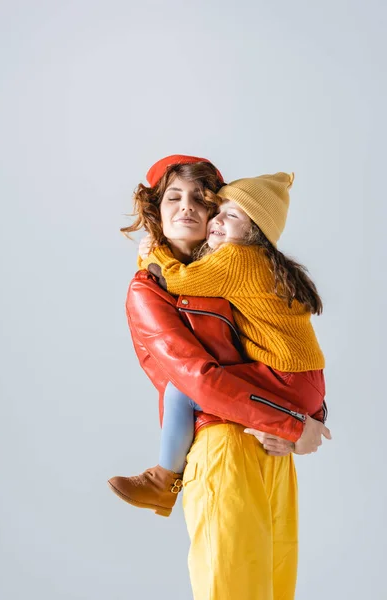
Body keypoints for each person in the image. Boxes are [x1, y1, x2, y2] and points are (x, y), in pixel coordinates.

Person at [108, 155, 331, 600]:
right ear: (156, 210)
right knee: (232, 589)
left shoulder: (231, 269)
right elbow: (199, 380)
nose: (187, 208)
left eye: (200, 199)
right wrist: (294, 422)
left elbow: (284, 349)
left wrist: (309, 420)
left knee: (274, 588)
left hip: (272, 451)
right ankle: (162, 478)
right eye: (173, 198)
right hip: (222, 447)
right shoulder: (149, 288)